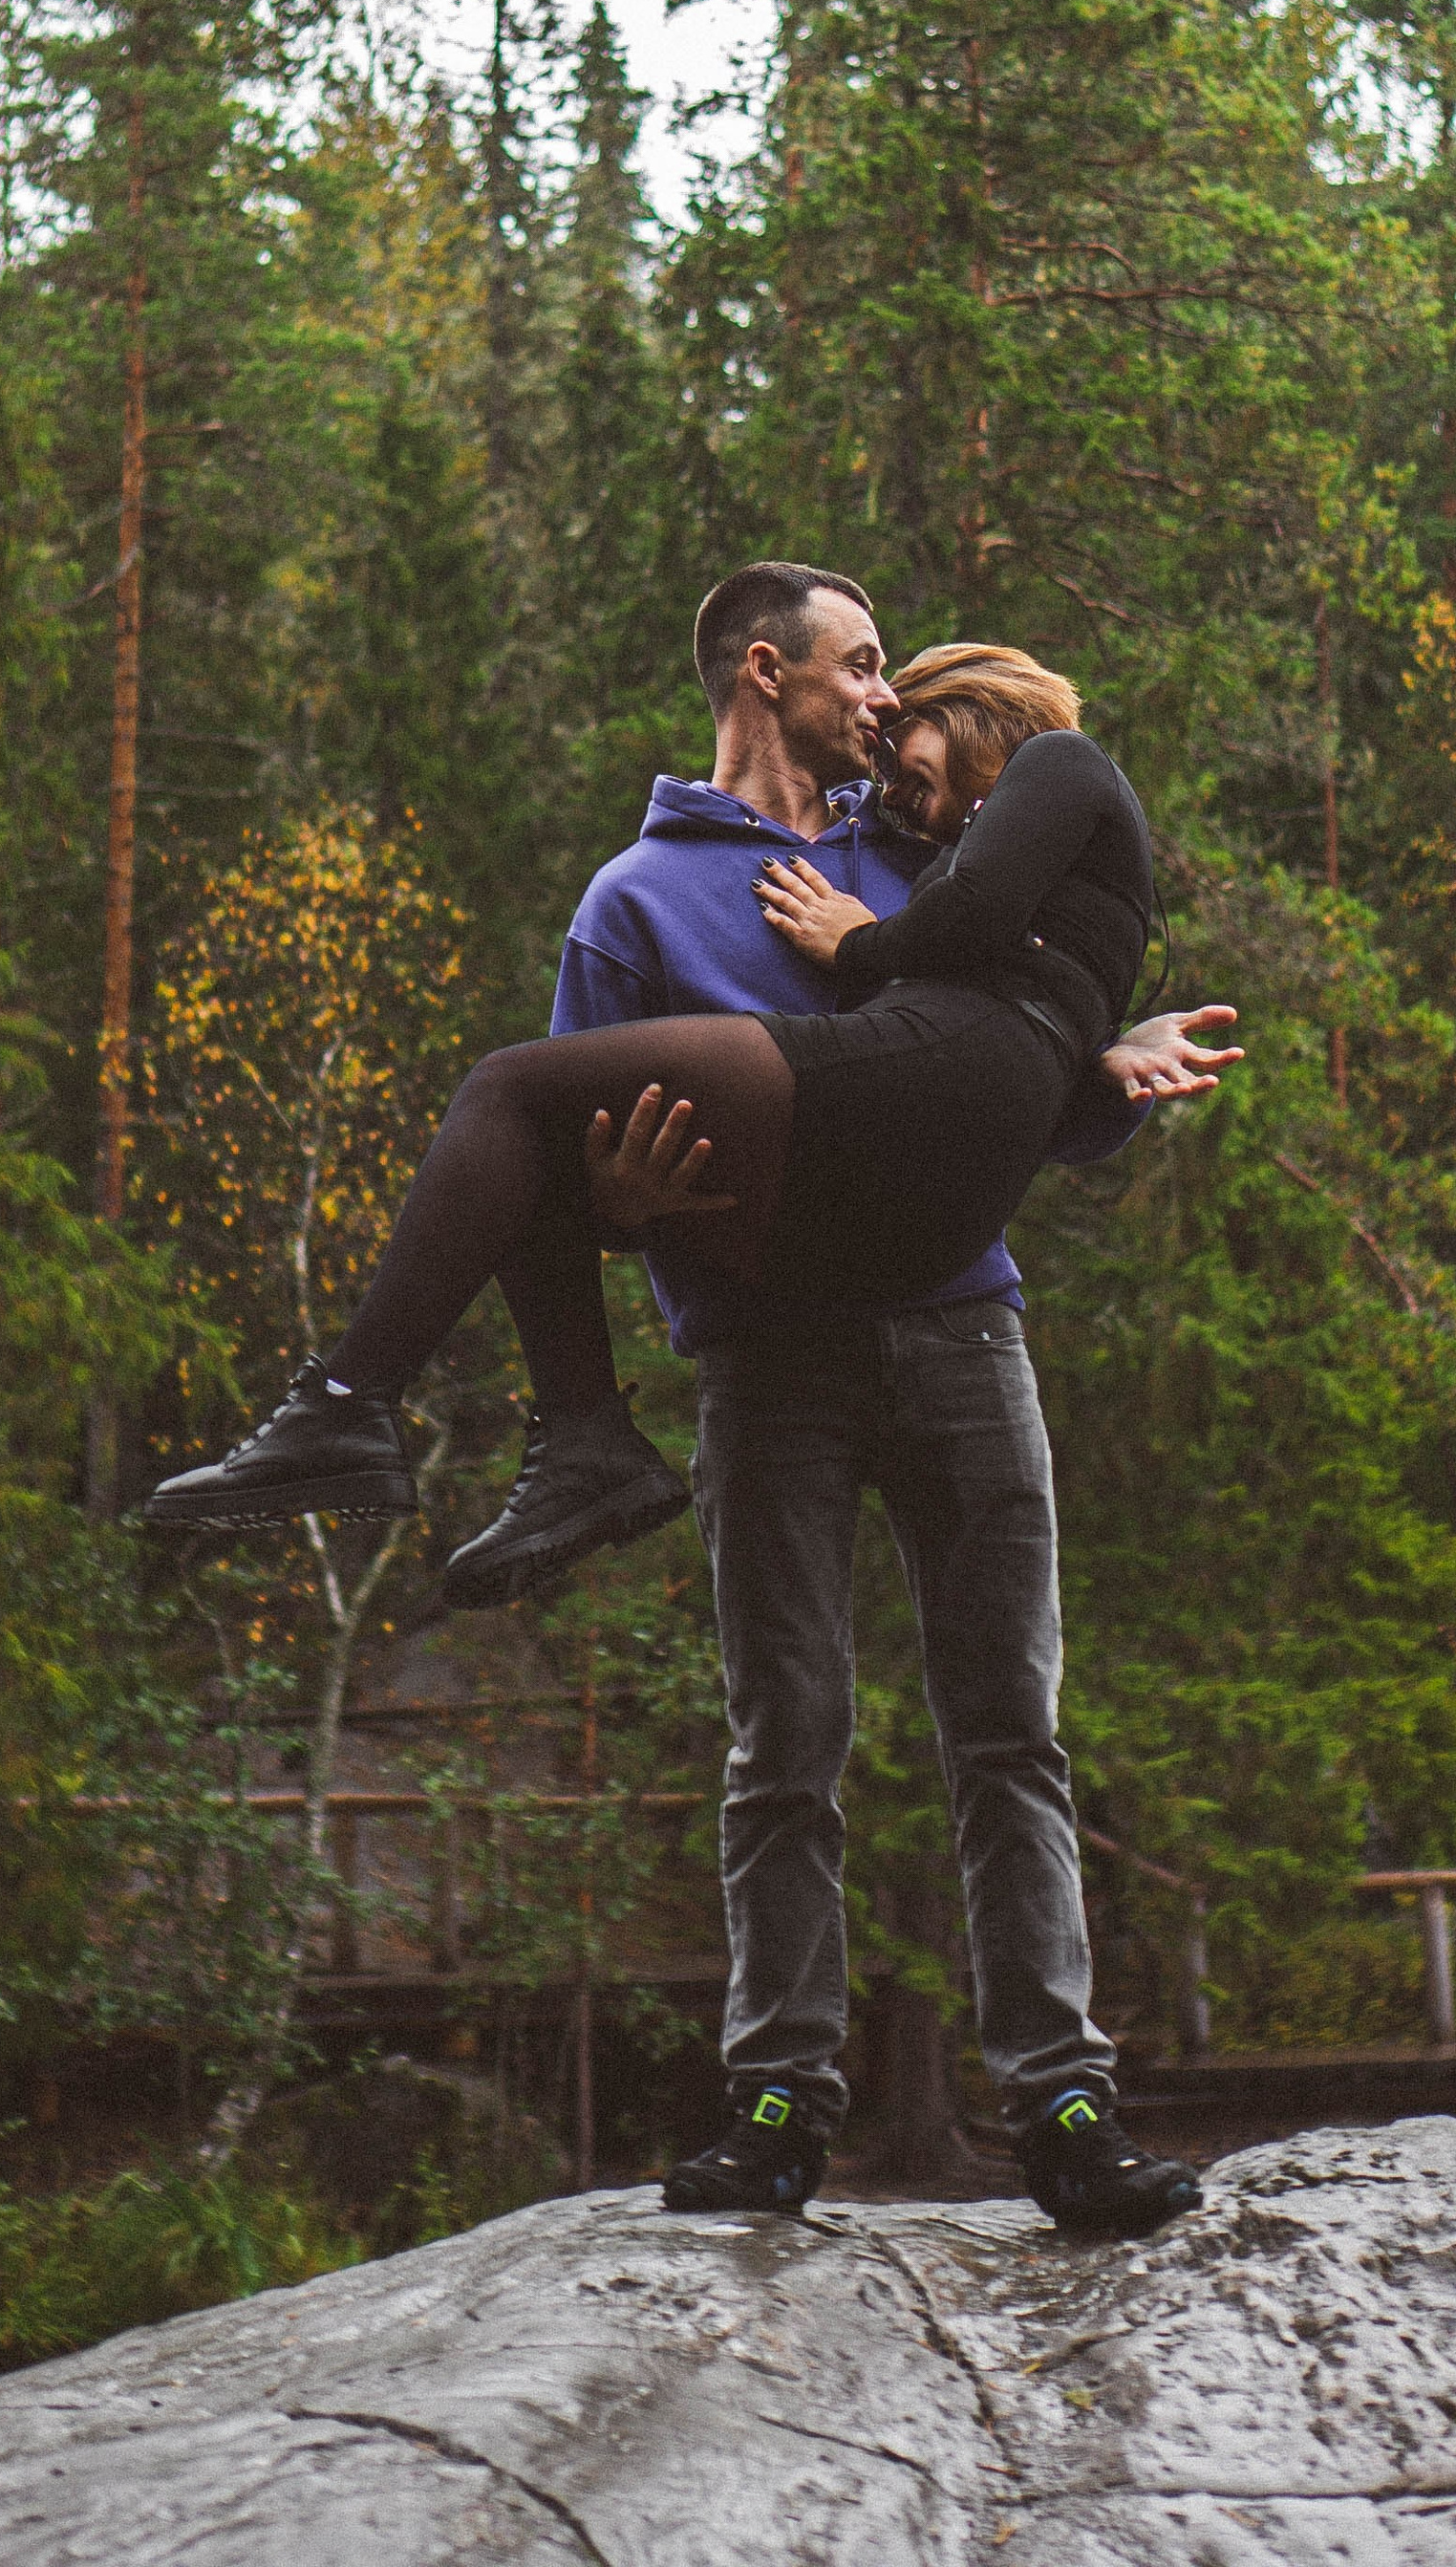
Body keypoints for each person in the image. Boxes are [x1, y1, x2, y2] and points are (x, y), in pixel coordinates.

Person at [145, 565, 1239, 2234]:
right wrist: (642, 1220)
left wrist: (1102, 1073)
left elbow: (996, 1086)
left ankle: (1064, 2103)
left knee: (1011, 1729)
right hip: (765, 1354)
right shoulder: (635, 905)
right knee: (783, 1741)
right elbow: (566, 1183)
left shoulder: (926, 845)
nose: (884, 700)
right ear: (765, 670)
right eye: (860, 665)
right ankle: (784, 2103)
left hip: (960, 1330)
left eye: (895, 675)